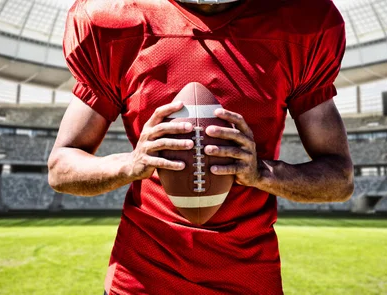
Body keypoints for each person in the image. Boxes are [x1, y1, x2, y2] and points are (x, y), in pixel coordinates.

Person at [48, 0, 354, 293]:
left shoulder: (300, 23)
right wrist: (130, 163)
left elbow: (340, 179)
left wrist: (263, 173)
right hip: (142, 278)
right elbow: (61, 167)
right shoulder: (115, 21)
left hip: (248, 279)